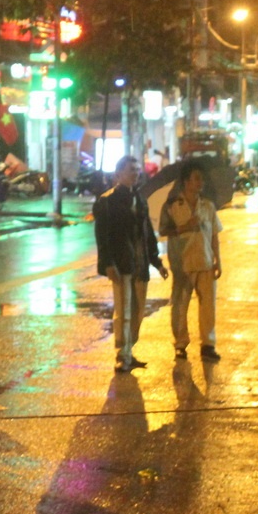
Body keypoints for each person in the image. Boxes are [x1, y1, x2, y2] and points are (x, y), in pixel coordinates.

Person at [93, 156, 167, 373]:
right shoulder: (107, 201)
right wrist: (108, 264)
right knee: (123, 311)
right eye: (130, 170)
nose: (135, 173)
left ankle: (129, 350)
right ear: (118, 174)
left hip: (140, 263)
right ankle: (121, 354)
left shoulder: (140, 199)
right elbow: (102, 236)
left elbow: (147, 234)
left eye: (137, 169)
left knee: (137, 312)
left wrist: (156, 261)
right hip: (121, 264)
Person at [159, 160, 223, 361]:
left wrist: (217, 260)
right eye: (196, 178)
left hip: (205, 261)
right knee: (180, 306)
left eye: (201, 179)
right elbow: (163, 230)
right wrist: (185, 226)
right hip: (182, 264)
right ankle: (180, 344)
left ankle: (208, 344)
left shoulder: (208, 206)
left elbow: (214, 234)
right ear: (186, 181)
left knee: (208, 307)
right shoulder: (172, 205)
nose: (200, 182)